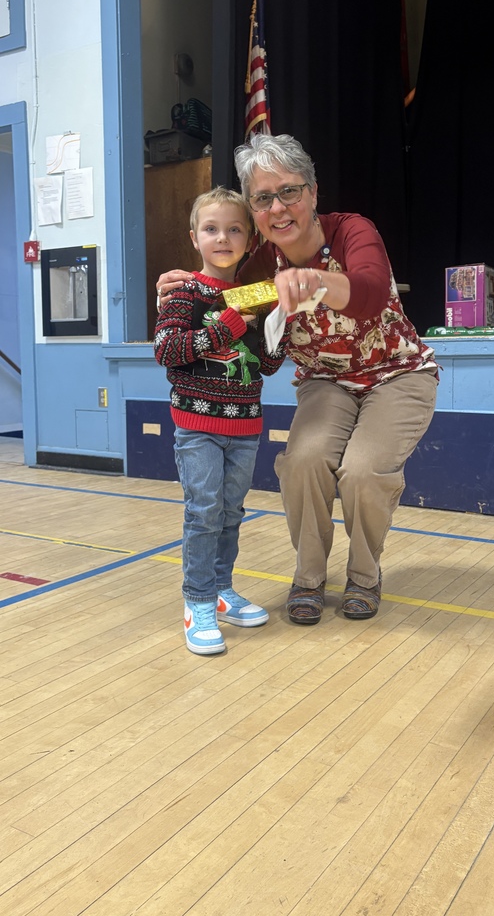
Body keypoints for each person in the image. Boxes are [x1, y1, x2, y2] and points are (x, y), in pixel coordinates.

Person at [156, 135, 438, 626]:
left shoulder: (351, 231)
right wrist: (183, 292)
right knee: (303, 462)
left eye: (289, 191)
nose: (278, 207)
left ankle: (364, 576)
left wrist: (319, 282)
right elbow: (223, 308)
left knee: (364, 471)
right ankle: (309, 577)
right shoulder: (262, 266)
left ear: (312, 192)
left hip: (397, 375)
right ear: (255, 212)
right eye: (263, 198)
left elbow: (370, 293)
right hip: (325, 382)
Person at [154, 185, 290, 655]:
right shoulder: (181, 291)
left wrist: (278, 324)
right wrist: (229, 324)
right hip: (197, 426)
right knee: (204, 512)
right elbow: (168, 353)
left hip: (246, 425)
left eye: (234, 229)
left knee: (231, 513)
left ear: (250, 239)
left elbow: (267, 366)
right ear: (195, 237)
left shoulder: (256, 295)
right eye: (212, 229)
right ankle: (197, 602)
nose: (223, 238)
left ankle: (221, 590)